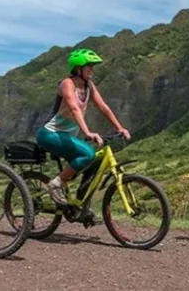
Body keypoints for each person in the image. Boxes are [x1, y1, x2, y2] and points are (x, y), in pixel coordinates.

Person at [35, 48, 131, 206]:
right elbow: (74, 108)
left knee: (93, 163)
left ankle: (80, 204)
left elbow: (103, 107)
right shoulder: (67, 83)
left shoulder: (88, 86)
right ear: (78, 68)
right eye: (89, 66)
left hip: (66, 136)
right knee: (88, 154)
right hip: (50, 134)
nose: (92, 70)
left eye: (92, 66)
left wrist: (120, 127)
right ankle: (55, 185)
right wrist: (87, 132)